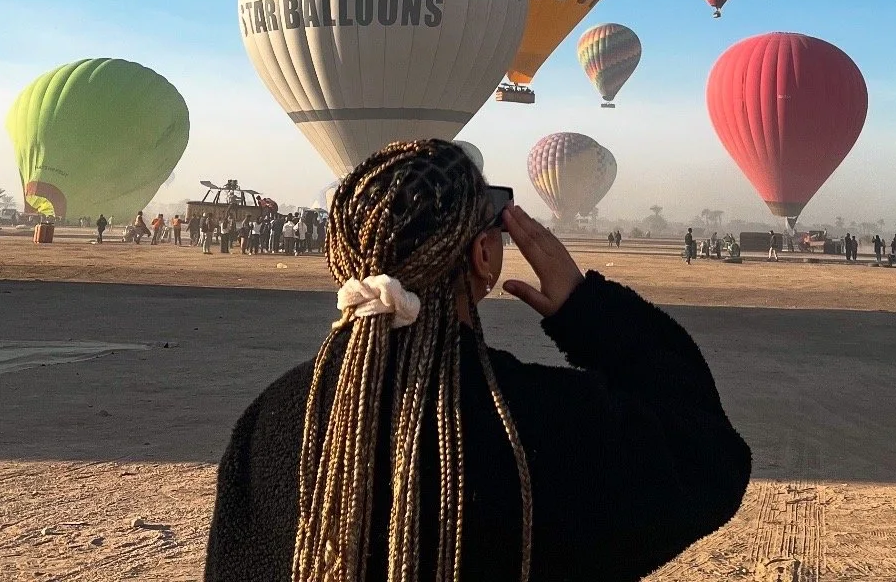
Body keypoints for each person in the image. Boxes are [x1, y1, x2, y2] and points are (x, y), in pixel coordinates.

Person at [205, 140, 750, 582]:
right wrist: (588, 311)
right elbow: (706, 452)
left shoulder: (273, 420)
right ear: (484, 256)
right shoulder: (541, 426)